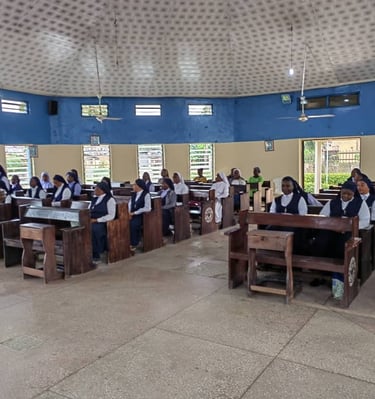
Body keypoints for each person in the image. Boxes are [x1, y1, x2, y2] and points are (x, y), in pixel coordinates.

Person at [313, 181, 370, 296]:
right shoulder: (332, 202)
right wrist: (332, 226)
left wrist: (349, 227)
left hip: (348, 232)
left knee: (342, 246)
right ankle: (321, 274)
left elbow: (365, 221)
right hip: (332, 231)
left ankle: (339, 278)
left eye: (349, 194)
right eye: (343, 193)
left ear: (354, 194)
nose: (345, 196)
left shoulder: (360, 204)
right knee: (320, 243)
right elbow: (323, 216)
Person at [90, 182, 116, 263]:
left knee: (94, 229)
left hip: (103, 222)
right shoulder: (94, 199)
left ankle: (97, 252)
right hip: (91, 220)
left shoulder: (110, 199)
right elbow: (88, 210)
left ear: (102, 190)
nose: (95, 190)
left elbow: (111, 215)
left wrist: (97, 220)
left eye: (96, 189)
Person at [128, 179, 152, 252]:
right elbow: (129, 204)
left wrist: (135, 213)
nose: (133, 186)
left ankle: (134, 243)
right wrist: (129, 212)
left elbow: (147, 208)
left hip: (141, 215)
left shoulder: (146, 194)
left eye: (134, 185)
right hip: (132, 214)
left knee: (133, 224)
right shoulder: (134, 194)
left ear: (139, 186)